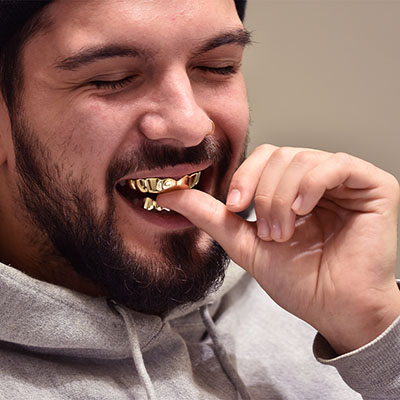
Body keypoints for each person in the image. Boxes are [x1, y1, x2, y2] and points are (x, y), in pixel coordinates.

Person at [0, 0, 399, 399]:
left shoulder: (314, 297)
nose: (192, 124)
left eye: (218, 67)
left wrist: (375, 327)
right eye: (112, 78)